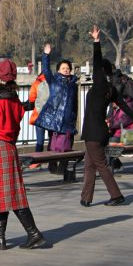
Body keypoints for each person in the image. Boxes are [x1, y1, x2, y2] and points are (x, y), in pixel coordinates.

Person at [0, 58, 46, 250]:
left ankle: (34, 233)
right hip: (10, 147)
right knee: (5, 194)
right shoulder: (14, 100)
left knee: (10, 195)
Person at [80, 25, 133, 207]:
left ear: (101, 73)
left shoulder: (98, 85)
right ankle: (86, 198)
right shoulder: (111, 90)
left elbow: (97, 61)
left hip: (93, 133)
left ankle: (116, 195)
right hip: (100, 132)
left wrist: (96, 41)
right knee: (90, 165)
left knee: (101, 165)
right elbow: (124, 106)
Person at [34, 43, 78, 174]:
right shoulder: (54, 81)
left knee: (67, 145)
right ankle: (52, 165)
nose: (66, 70)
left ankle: (63, 168)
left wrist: (74, 118)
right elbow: (46, 70)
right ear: (58, 70)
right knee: (53, 144)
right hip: (54, 118)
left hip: (68, 119)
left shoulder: (73, 85)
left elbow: (74, 103)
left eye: (68, 68)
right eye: (63, 68)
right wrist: (46, 55)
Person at [23, 73, 50, 168]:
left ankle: (37, 161)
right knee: (52, 139)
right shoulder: (53, 81)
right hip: (52, 115)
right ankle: (52, 161)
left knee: (40, 140)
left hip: (39, 115)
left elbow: (31, 98)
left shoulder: (36, 83)